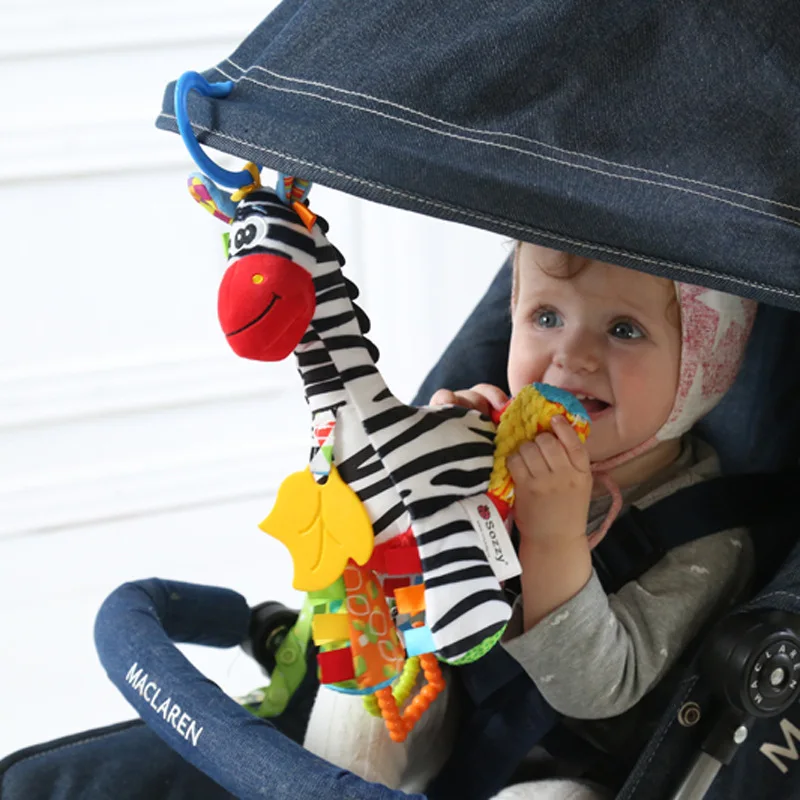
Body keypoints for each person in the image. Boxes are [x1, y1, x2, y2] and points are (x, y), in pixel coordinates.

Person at [303, 241, 758, 800]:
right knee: (366, 684)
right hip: (452, 704)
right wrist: (437, 459)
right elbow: (398, 574)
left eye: (624, 330)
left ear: (699, 373)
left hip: (584, 767)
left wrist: (554, 538)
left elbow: (593, 693)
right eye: (546, 317)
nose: (572, 355)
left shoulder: (705, 537)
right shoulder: (492, 443)